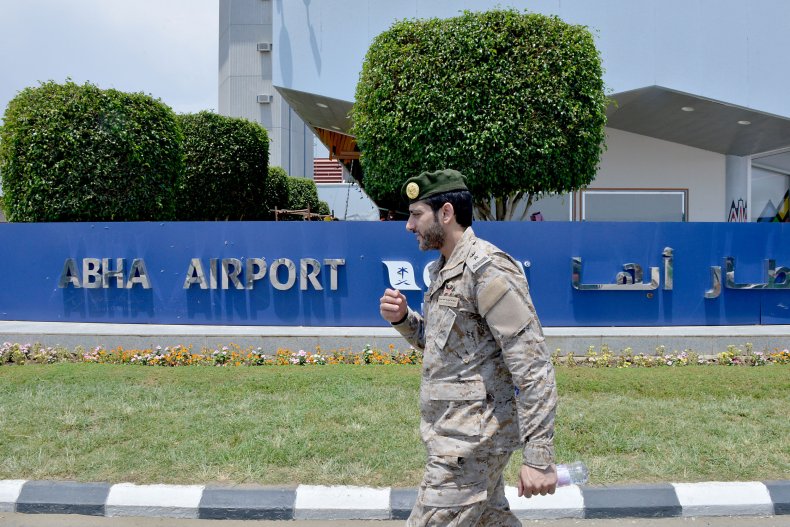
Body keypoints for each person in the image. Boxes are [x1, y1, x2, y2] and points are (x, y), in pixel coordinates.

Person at [379, 169, 558, 526]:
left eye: (416, 215)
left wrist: (539, 456)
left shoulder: (487, 269)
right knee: (489, 520)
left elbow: (532, 363)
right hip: (457, 433)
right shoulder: (444, 269)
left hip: (471, 442)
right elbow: (446, 345)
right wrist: (404, 320)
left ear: (446, 213)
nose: (408, 226)